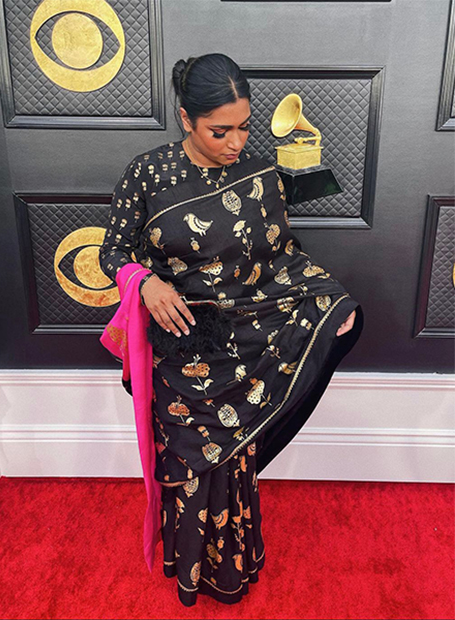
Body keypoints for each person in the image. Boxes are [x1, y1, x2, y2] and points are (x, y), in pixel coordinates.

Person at [99, 53, 363, 607]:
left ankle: (231, 571)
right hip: (183, 344)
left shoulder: (261, 175)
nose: (236, 142)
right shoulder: (147, 174)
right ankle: (188, 570)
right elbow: (112, 252)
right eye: (220, 131)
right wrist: (145, 283)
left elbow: (283, 257)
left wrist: (331, 298)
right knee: (194, 465)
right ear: (186, 119)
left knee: (234, 458)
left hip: (248, 338)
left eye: (244, 127)